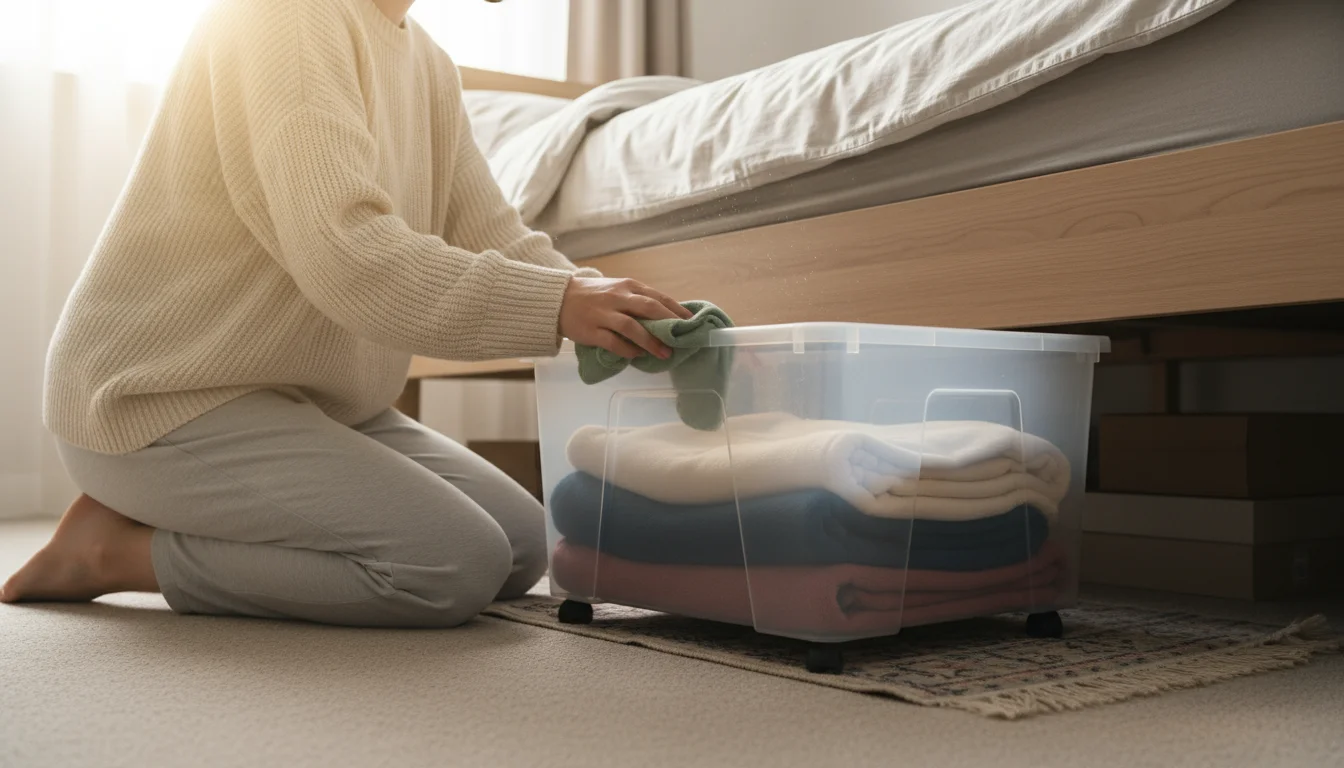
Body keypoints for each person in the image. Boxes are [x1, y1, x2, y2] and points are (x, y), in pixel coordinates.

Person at [0, 0, 692, 627]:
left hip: (306, 399)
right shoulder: (285, 17)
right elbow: (349, 254)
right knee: (450, 565)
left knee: (517, 545)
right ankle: (113, 554)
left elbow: (493, 234)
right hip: (160, 397)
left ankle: (165, 513)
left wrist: (605, 298)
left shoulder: (427, 63)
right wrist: (557, 304)